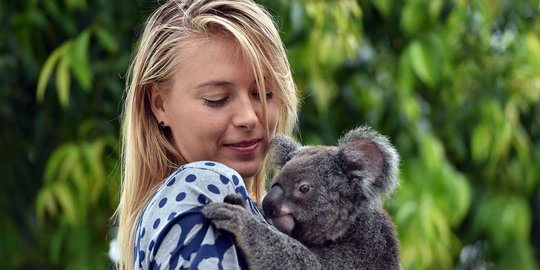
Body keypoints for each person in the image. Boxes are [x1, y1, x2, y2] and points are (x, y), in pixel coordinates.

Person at [114, 0, 299, 269]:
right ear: (159, 104)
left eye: (264, 93)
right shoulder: (202, 186)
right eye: (217, 99)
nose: (249, 117)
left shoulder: (165, 214)